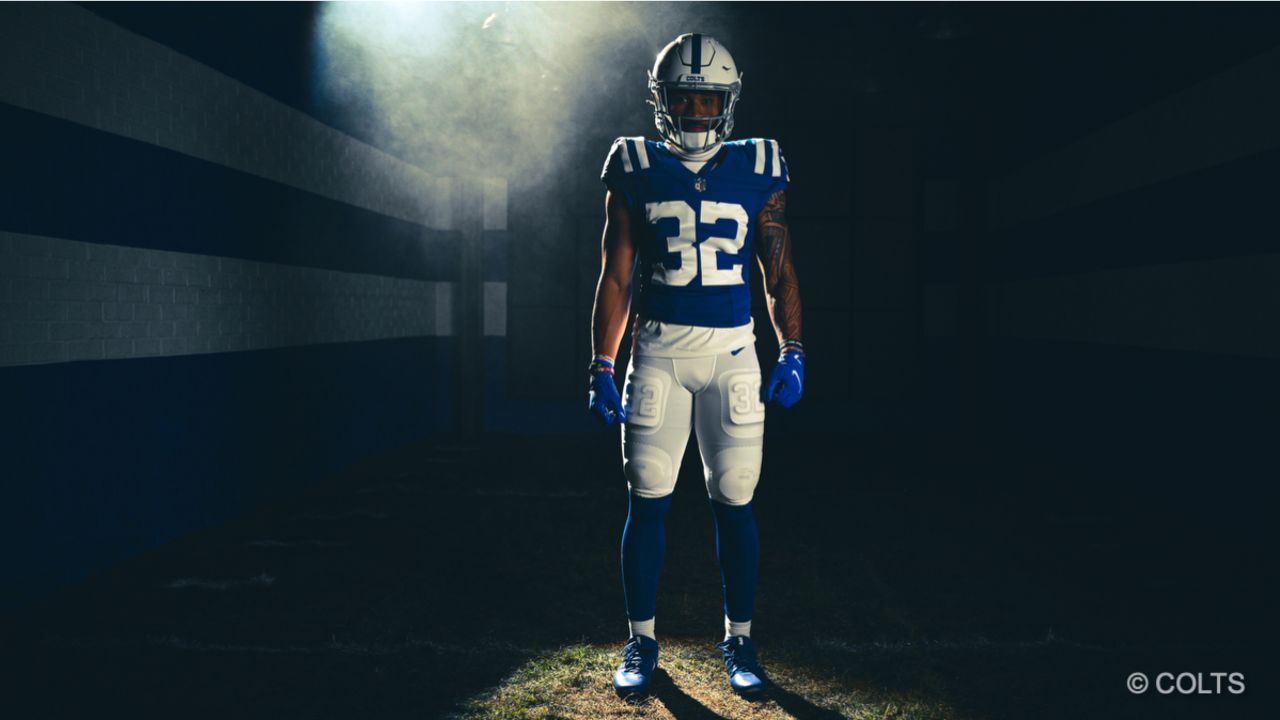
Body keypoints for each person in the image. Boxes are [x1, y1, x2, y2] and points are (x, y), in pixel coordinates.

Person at [588, 33, 804, 699]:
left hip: (733, 352)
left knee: (735, 500)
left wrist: (792, 349)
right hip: (656, 351)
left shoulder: (760, 164)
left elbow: (779, 269)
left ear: (730, 101)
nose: (697, 111)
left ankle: (739, 636)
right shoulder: (633, 162)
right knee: (646, 495)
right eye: (685, 97)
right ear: (662, 100)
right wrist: (601, 361)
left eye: (709, 97)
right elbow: (616, 276)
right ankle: (642, 640)